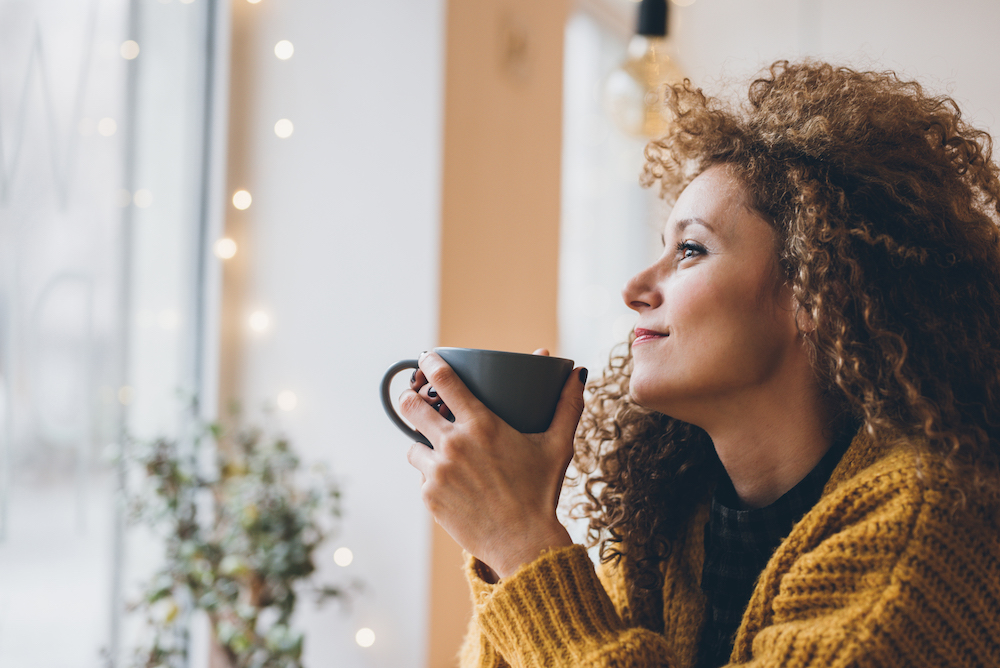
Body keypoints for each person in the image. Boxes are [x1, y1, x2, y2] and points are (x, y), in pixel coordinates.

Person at [399, 60, 1000, 667]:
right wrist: (510, 539)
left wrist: (522, 545)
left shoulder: (923, 527)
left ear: (818, 292)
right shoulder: (668, 524)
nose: (635, 286)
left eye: (690, 249)